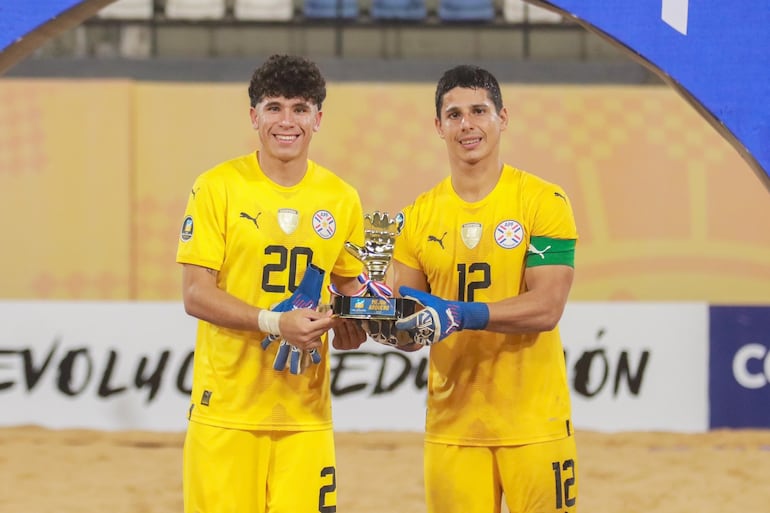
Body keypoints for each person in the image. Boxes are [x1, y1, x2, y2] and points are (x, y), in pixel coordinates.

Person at [176, 54, 366, 513]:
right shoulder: (216, 187)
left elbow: (352, 295)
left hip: (305, 414)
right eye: (274, 107)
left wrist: (358, 326)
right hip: (227, 412)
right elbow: (196, 294)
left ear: (318, 119)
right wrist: (275, 323)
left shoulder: (341, 198)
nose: (287, 120)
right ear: (253, 116)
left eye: (300, 108)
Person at [391, 64, 579, 513]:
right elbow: (407, 333)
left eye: (479, 110)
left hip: (536, 425)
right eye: (453, 115)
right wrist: (369, 312)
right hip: (452, 427)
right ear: (438, 127)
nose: (467, 124)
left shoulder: (544, 201)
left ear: (503, 117)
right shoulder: (414, 218)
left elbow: (548, 307)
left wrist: (459, 314)